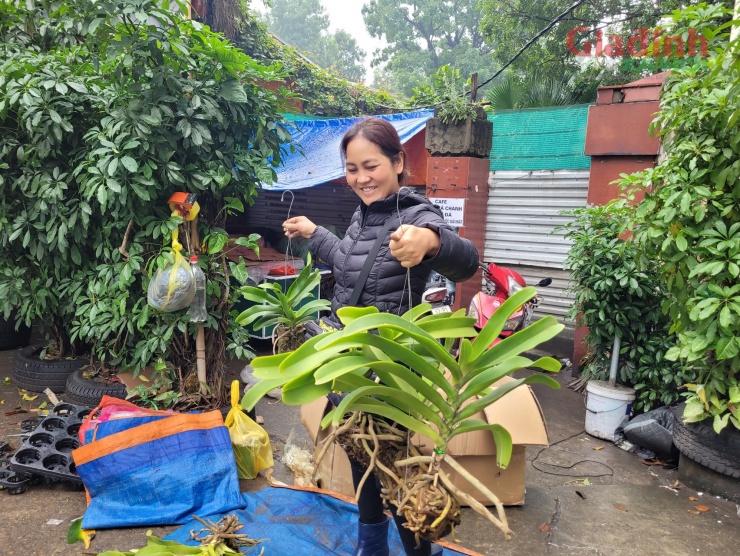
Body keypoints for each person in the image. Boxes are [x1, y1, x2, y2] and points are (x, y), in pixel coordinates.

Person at [282, 118, 479, 556]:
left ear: (398, 162)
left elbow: (466, 260)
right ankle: (371, 545)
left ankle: (415, 551)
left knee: (395, 470)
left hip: (391, 376)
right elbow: (352, 265)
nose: (361, 178)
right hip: (353, 369)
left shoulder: (415, 214)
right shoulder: (362, 216)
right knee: (361, 458)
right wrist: (315, 234)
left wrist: (429, 242)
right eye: (351, 169)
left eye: (370, 165)